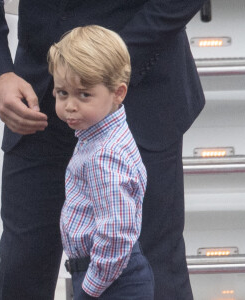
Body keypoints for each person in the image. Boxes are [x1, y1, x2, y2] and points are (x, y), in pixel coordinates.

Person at [0, 0, 206, 299]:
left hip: (140, 92)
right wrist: (0, 73)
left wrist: (107, 64)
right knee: (20, 273)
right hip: (40, 96)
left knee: (152, 272)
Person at [48, 25, 154, 299]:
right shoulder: (100, 135)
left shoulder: (103, 155)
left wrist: (90, 289)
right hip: (110, 275)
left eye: (84, 94)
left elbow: (116, 231)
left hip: (111, 282)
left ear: (118, 93)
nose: (70, 105)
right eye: (62, 93)